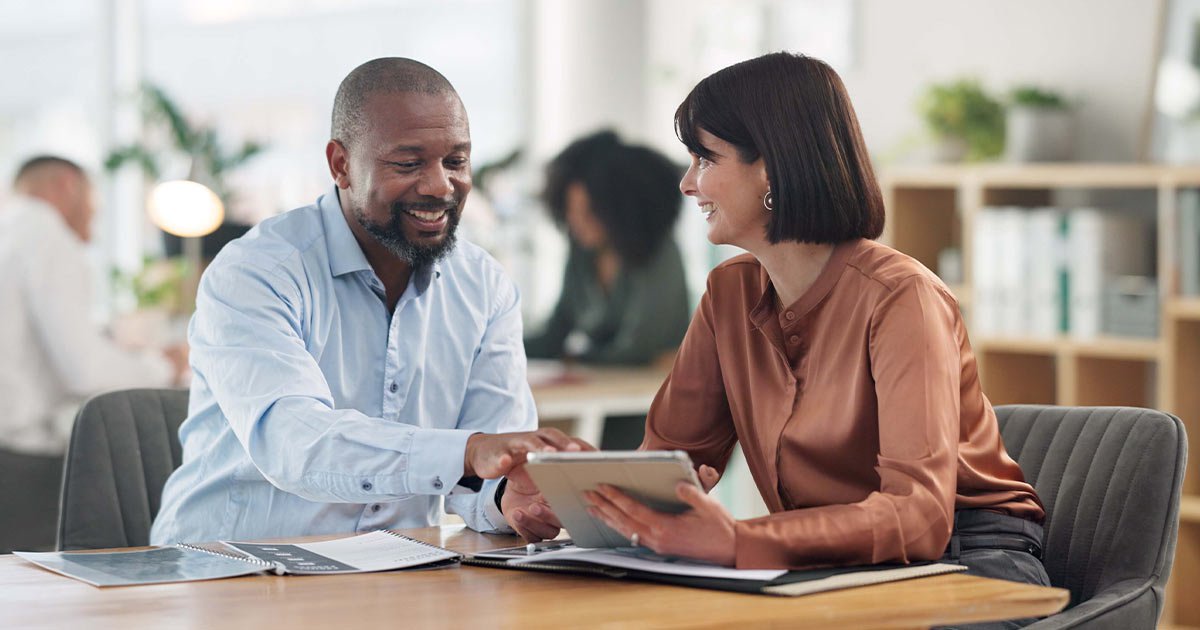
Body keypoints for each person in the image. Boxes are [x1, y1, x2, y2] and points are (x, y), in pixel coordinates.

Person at [583, 53, 1050, 628]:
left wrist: (737, 539)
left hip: (970, 559)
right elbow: (668, 462)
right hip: (832, 562)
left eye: (705, 158)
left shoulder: (900, 296)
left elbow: (920, 517)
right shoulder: (727, 295)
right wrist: (593, 507)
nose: (687, 184)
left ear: (773, 168)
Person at [151, 58, 580, 545]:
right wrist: (470, 451)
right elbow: (296, 444)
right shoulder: (256, 272)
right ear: (341, 165)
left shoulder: (484, 285)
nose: (441, 186)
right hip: (229, 569)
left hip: (397, 569)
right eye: (408, 163)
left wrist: (506, 497)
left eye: (456, 161)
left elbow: (487, 464)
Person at [0, 156, 188, 552]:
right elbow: (85, 370)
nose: (94, 220)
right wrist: (164, 366)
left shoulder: (11, 228)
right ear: (68, 184)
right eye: (94, 201)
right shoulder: (45, 235)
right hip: (20, 463)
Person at [524, 131, 690, 449]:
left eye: (588, 213)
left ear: (617, 209)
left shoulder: (657, 252)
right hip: (605, 409)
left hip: (660, 414)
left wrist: (578, 358)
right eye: (570, 212)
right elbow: (554, 333)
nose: (576, 224)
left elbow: (640, 345)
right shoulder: (582, 252)